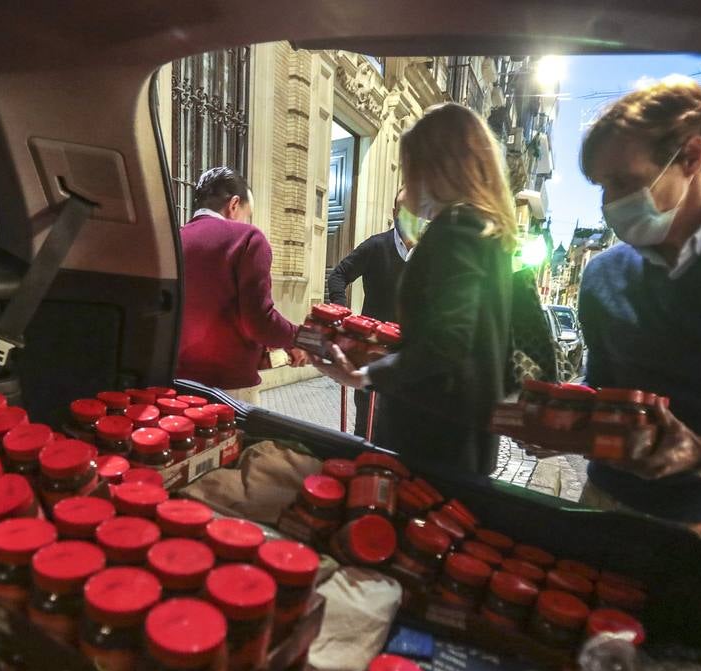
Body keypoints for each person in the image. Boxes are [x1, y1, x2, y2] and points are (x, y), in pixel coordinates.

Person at [575, 77, 701, 529]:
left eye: (625, 182)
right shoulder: (603, 275)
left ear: (691, 157)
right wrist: (563, 420)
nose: (610, 204)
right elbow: (601, 386)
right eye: (602, 186)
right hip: (600, 501)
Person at [312, 103, 516, 474]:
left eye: (410, 168)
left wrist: (369, 374)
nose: (406, 182)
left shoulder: (455, 229)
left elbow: (448, 342)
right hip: (464, 439)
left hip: (429, 438)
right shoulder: (489, 233)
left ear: (438, 168)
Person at [175, 167, 308, 403]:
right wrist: (300, 338)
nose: (248, 221)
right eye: (249, 214)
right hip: (229, 388)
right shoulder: (246, 238)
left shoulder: (173, 238)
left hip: (177, 383)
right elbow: (259, 321)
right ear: (234, 204)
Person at [325, 188, 414, 437]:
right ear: (395, 213)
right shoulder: (376, 246)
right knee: (366, 428)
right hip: (371, 355)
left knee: (401, 431)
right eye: (405, 210)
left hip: (407, 359)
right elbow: (338, 275)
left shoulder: (430, 256)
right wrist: (343, 315)